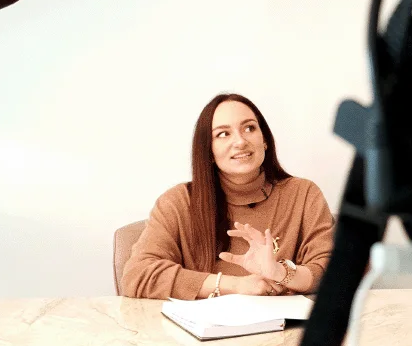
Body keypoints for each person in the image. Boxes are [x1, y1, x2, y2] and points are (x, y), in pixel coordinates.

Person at [121, 93, 335, 299]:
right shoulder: (178, 202)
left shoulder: (303, 194)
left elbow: (333, 272)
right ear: (209, 150)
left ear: (265, 140)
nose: (240, 141)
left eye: (249, 128)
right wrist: (237, 286)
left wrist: (280, 272)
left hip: (286, 324)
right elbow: (137, 275)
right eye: (223, 134)